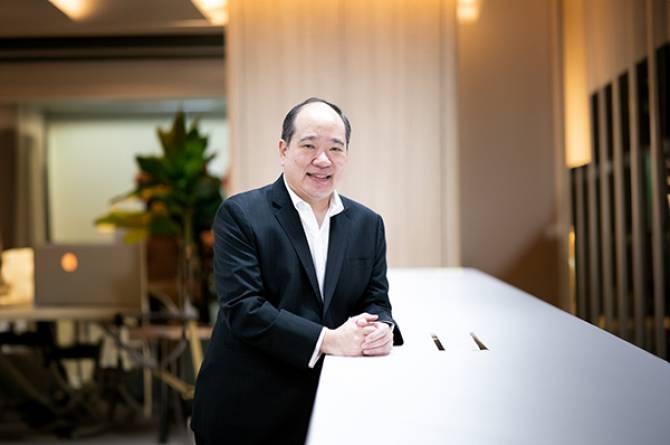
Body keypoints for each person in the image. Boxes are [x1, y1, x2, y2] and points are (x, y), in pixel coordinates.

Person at [191, 97, 403, 445]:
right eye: (309, 146)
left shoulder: (368, 224)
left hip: (325, 409)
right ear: (283, 149)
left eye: (335, 148)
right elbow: (244, 309)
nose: (323, 160)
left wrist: (382, 326)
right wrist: (330, 340)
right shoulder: (240, 215)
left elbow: (375, 298)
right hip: (246, 413)